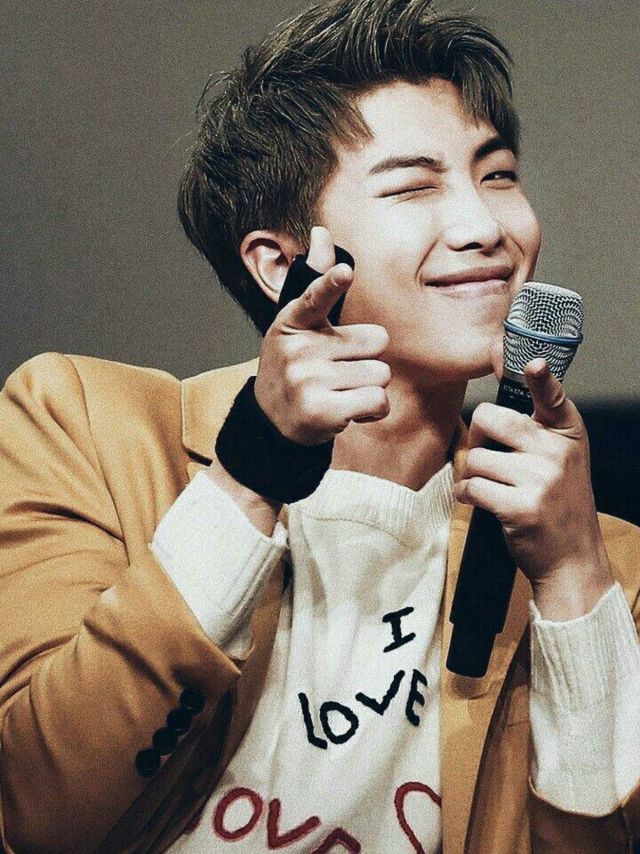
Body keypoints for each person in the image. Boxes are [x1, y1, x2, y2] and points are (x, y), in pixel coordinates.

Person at [1, 0, 639, 851]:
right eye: (413, 186)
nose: (486, 227)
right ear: (281, 262)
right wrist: (249, 474)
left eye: (497, 175)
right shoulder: (88, 428)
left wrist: (572, 578)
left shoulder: (601, 563)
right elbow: (40, 812)